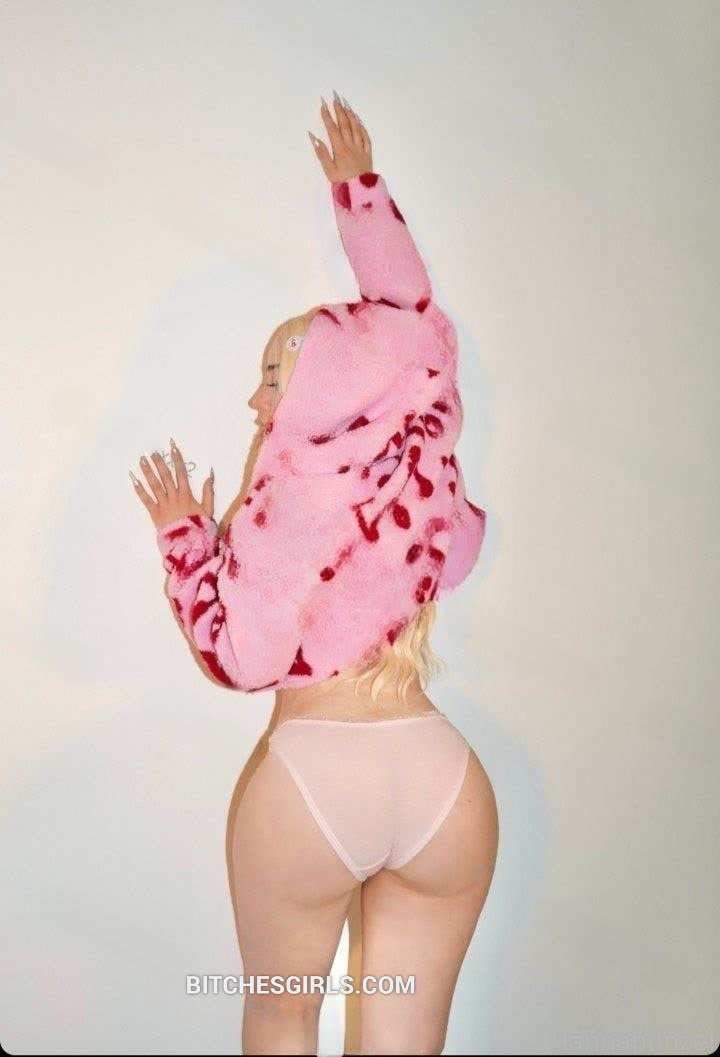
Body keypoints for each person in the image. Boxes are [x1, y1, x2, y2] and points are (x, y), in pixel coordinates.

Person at [131, 91, 499, 1056]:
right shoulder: (424, 486)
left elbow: (239, 657)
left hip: (315, 785)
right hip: (445, 781)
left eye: (271, 376)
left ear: (316, 386)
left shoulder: (288, 510)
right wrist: (359, 194)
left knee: (281, 1013)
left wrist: (186, 539)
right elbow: (411, 322)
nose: (255, 403)